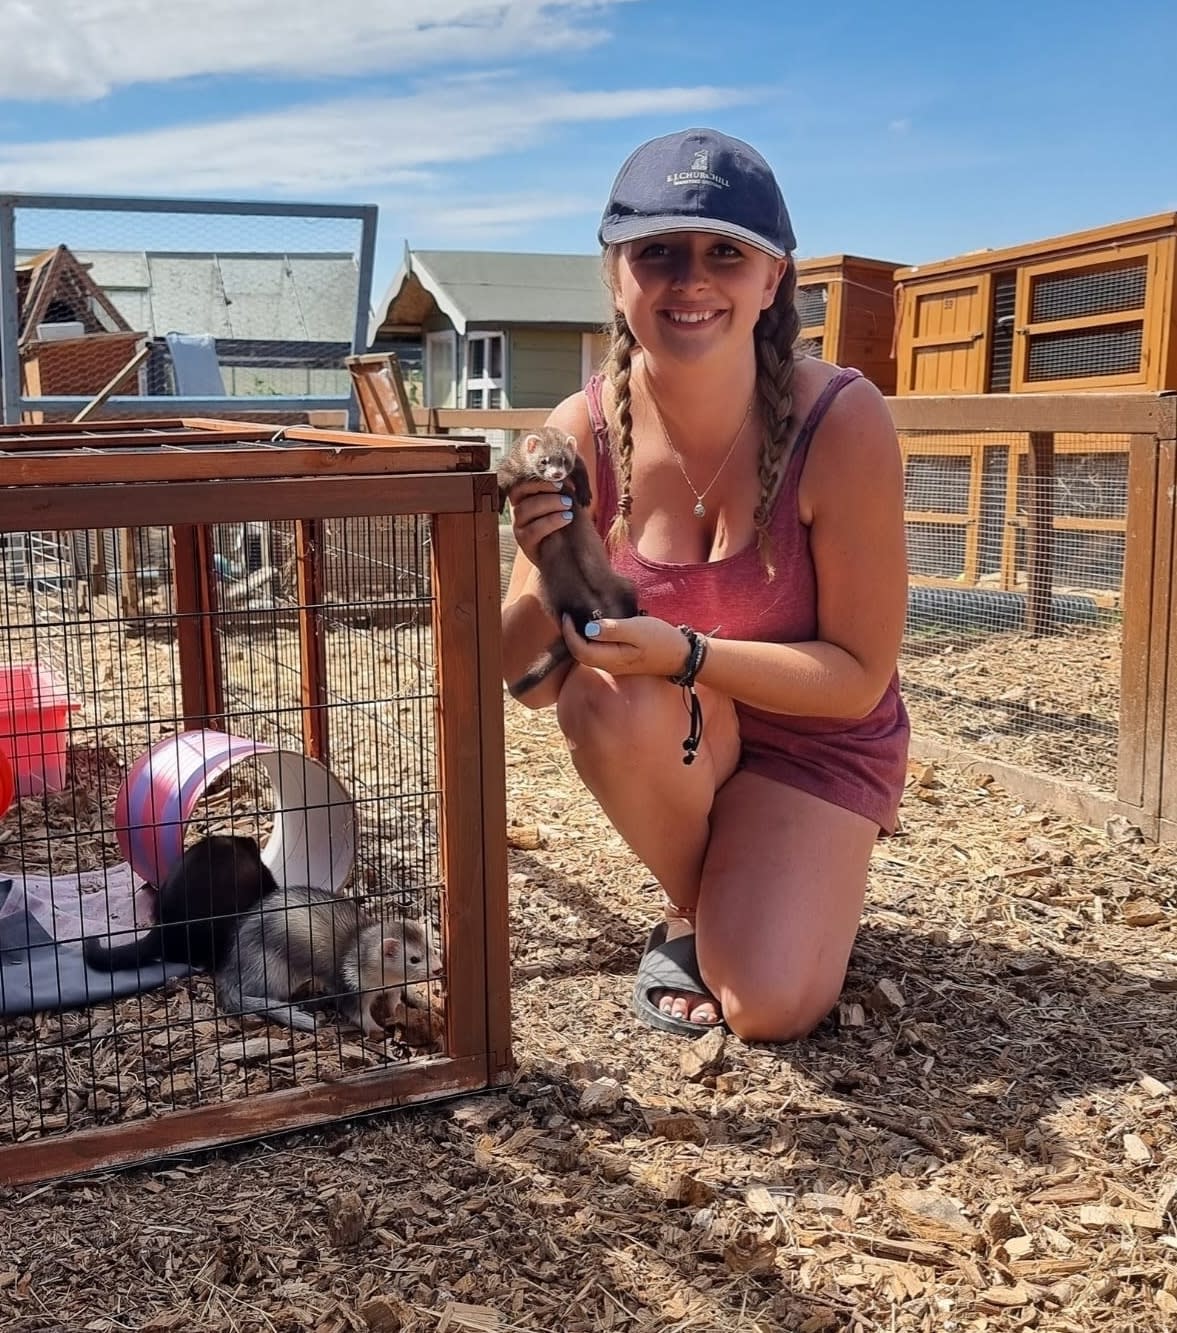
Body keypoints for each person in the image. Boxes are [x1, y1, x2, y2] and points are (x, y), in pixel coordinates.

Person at [500, 127, 909, 1042]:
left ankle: (757, 900)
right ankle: (702, 906)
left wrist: (686, 652)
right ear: (615, 274)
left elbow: (855, 677)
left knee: (766, 1007)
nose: (690, 280)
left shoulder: (840, 418)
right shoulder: (581, 428)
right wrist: (552, 560)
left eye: (725, 252)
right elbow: (523, 681)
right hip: (672, 740)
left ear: (772, 279)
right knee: (607, 695)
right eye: (658, 253)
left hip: (818, 742)